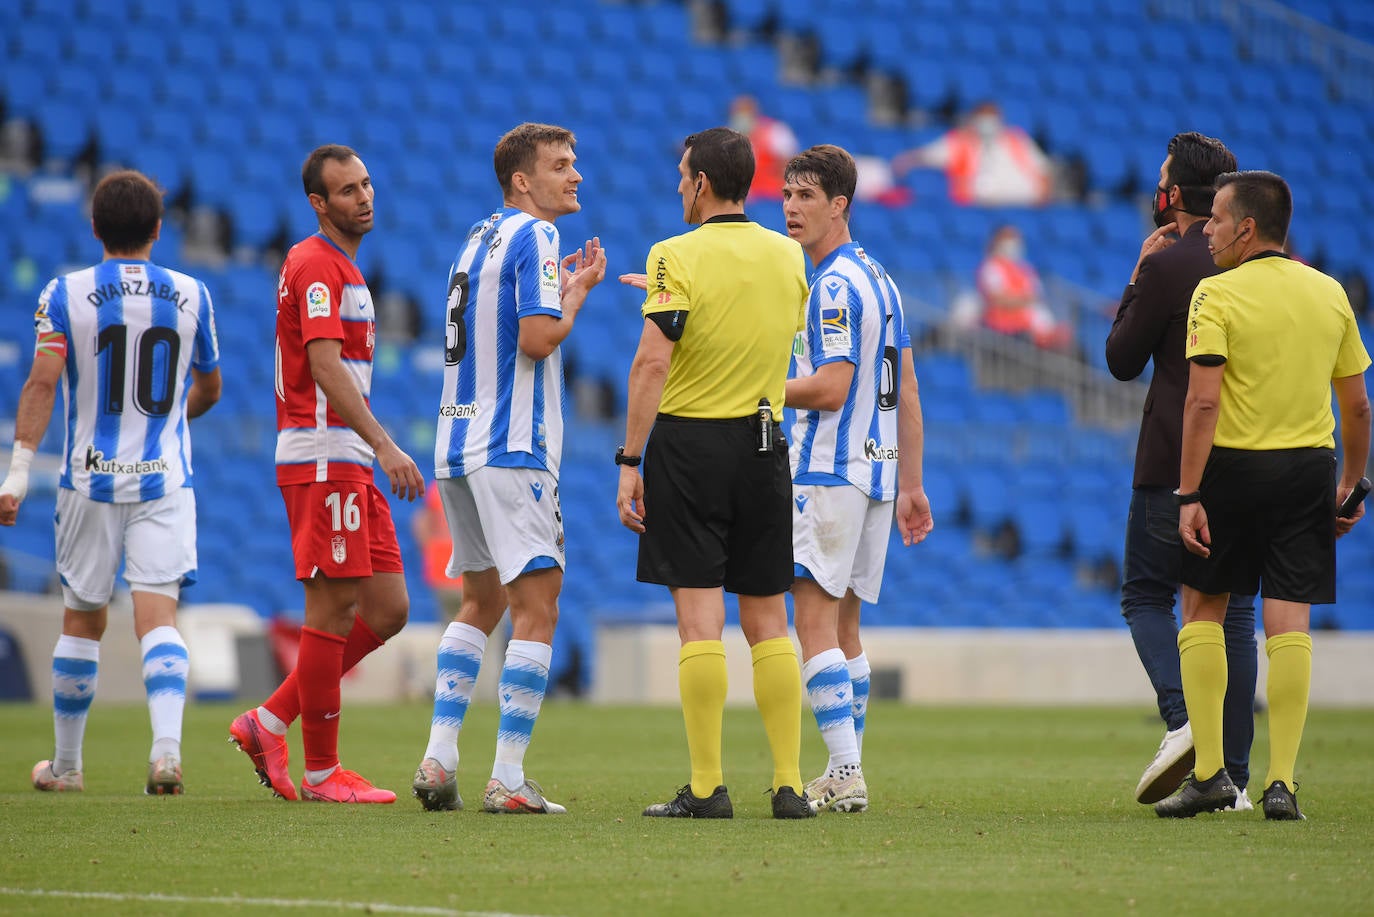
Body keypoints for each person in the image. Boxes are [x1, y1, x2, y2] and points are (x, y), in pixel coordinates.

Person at [0, 169, 222, 795]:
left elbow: (41, 383)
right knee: (158, 618)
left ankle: (67, 767)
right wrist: (169, 421)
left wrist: (17, 474)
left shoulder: (64, 293)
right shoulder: (193, 294)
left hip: (88, 481)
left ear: (95, 227)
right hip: (164, 479)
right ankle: (167, 753)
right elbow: (210, 387)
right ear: (158, 228)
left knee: (82, 620)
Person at [1158, 170, 1371, 820]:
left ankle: (1211, 774)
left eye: (1219, 219)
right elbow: (1358, 406)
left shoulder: (1215, 293)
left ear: (1247, 228)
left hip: (1233, 467)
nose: (1209, 230)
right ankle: (1281, 783)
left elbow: (1202, 402)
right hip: (1309, 469)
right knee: (1289, 621)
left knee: (1202, 609)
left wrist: (1188, 492)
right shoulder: (1329, 292)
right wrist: (1351, 483)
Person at [616, 126, 814, 820]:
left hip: (690, 447)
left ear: (701, 182)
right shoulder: (788, 254)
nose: (679, 185)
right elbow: (765, 330)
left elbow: (653, 361)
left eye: (682, 175)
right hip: (765, 445)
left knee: (700, 624)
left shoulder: (673, 254)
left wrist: (629, 459)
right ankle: (789, 785)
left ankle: (707, 788)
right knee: (769, 621)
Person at [411, 123, 606, 815]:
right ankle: (508, 777)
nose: (574, 175)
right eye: (560, 164)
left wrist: (563, 288)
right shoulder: (538, 235)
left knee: (481, 601)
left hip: (457, 443)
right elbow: (536, 337)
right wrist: (576, 295)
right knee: (537, 606)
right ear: (523, 180)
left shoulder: (477, 238)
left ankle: (439, 757)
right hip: (512, 443)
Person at [229, 144, 425, 804]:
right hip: (324, 454)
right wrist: (385, 444)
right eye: (347, 190)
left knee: (388, 607)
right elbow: (323, 363)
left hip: (350, 458)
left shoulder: (344, 267)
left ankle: (269, 720)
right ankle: (321, 771)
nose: (363, 197)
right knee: (333, 608)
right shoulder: (316, 263)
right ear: (319, 203)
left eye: (366, 184)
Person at [1105, 133, 1260, 810]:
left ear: (1174, 194)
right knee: (1235, 614)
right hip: (1250, 454)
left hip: (1173, 456)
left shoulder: (1169, 265)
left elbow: (1120, 358)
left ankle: (1184, 721)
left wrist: (1138, 274)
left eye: (1162, 178)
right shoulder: (1258, 265)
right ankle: (1237, 777)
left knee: (1146, 596)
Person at [780, 145, 934, 813]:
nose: (791, 208)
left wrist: (758, 387)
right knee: (846, 630)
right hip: (876, 472)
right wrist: (911, 483)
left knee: (813, 624)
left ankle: (845, 770)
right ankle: (847, 770)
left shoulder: (833, 285)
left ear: (839, 205)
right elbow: (907, 388)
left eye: (806, 196)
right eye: (787, 195)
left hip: (829, 468)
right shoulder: (880, 277)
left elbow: (832, 387)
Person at [891, 100, 1052, 207]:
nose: (988, 122)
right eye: (984, 116)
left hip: (1021, 205)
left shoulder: (1018, 141)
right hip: (977, 208)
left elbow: (1043, 172)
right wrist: (902, 163)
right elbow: (924, 156)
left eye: (992, 116)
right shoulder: (960, 142)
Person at [969, 225, 1070, 349]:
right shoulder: (991, 267)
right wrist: (1023, 300)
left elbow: (1036, 296)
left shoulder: (1025, 270)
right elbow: (998, 299)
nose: (1013, 243)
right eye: (1008, 238)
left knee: (1068, 341)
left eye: (1015, 238)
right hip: (1006, 326)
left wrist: (1024, 299)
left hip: (1034, 328)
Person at [729, 95, 799, 202]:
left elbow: (790, 164)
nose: (742, 117)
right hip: (749, 196)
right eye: (738, 113)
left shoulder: (775, 131)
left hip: (775, 192)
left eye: (745, 112)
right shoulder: (728, 139)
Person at [413, 480, 463, 622]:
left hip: (443, 571)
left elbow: (421, 523)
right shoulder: (481, 482)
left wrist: (429, 551)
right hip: (477, 574)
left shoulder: (438, 486)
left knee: (451, 626)